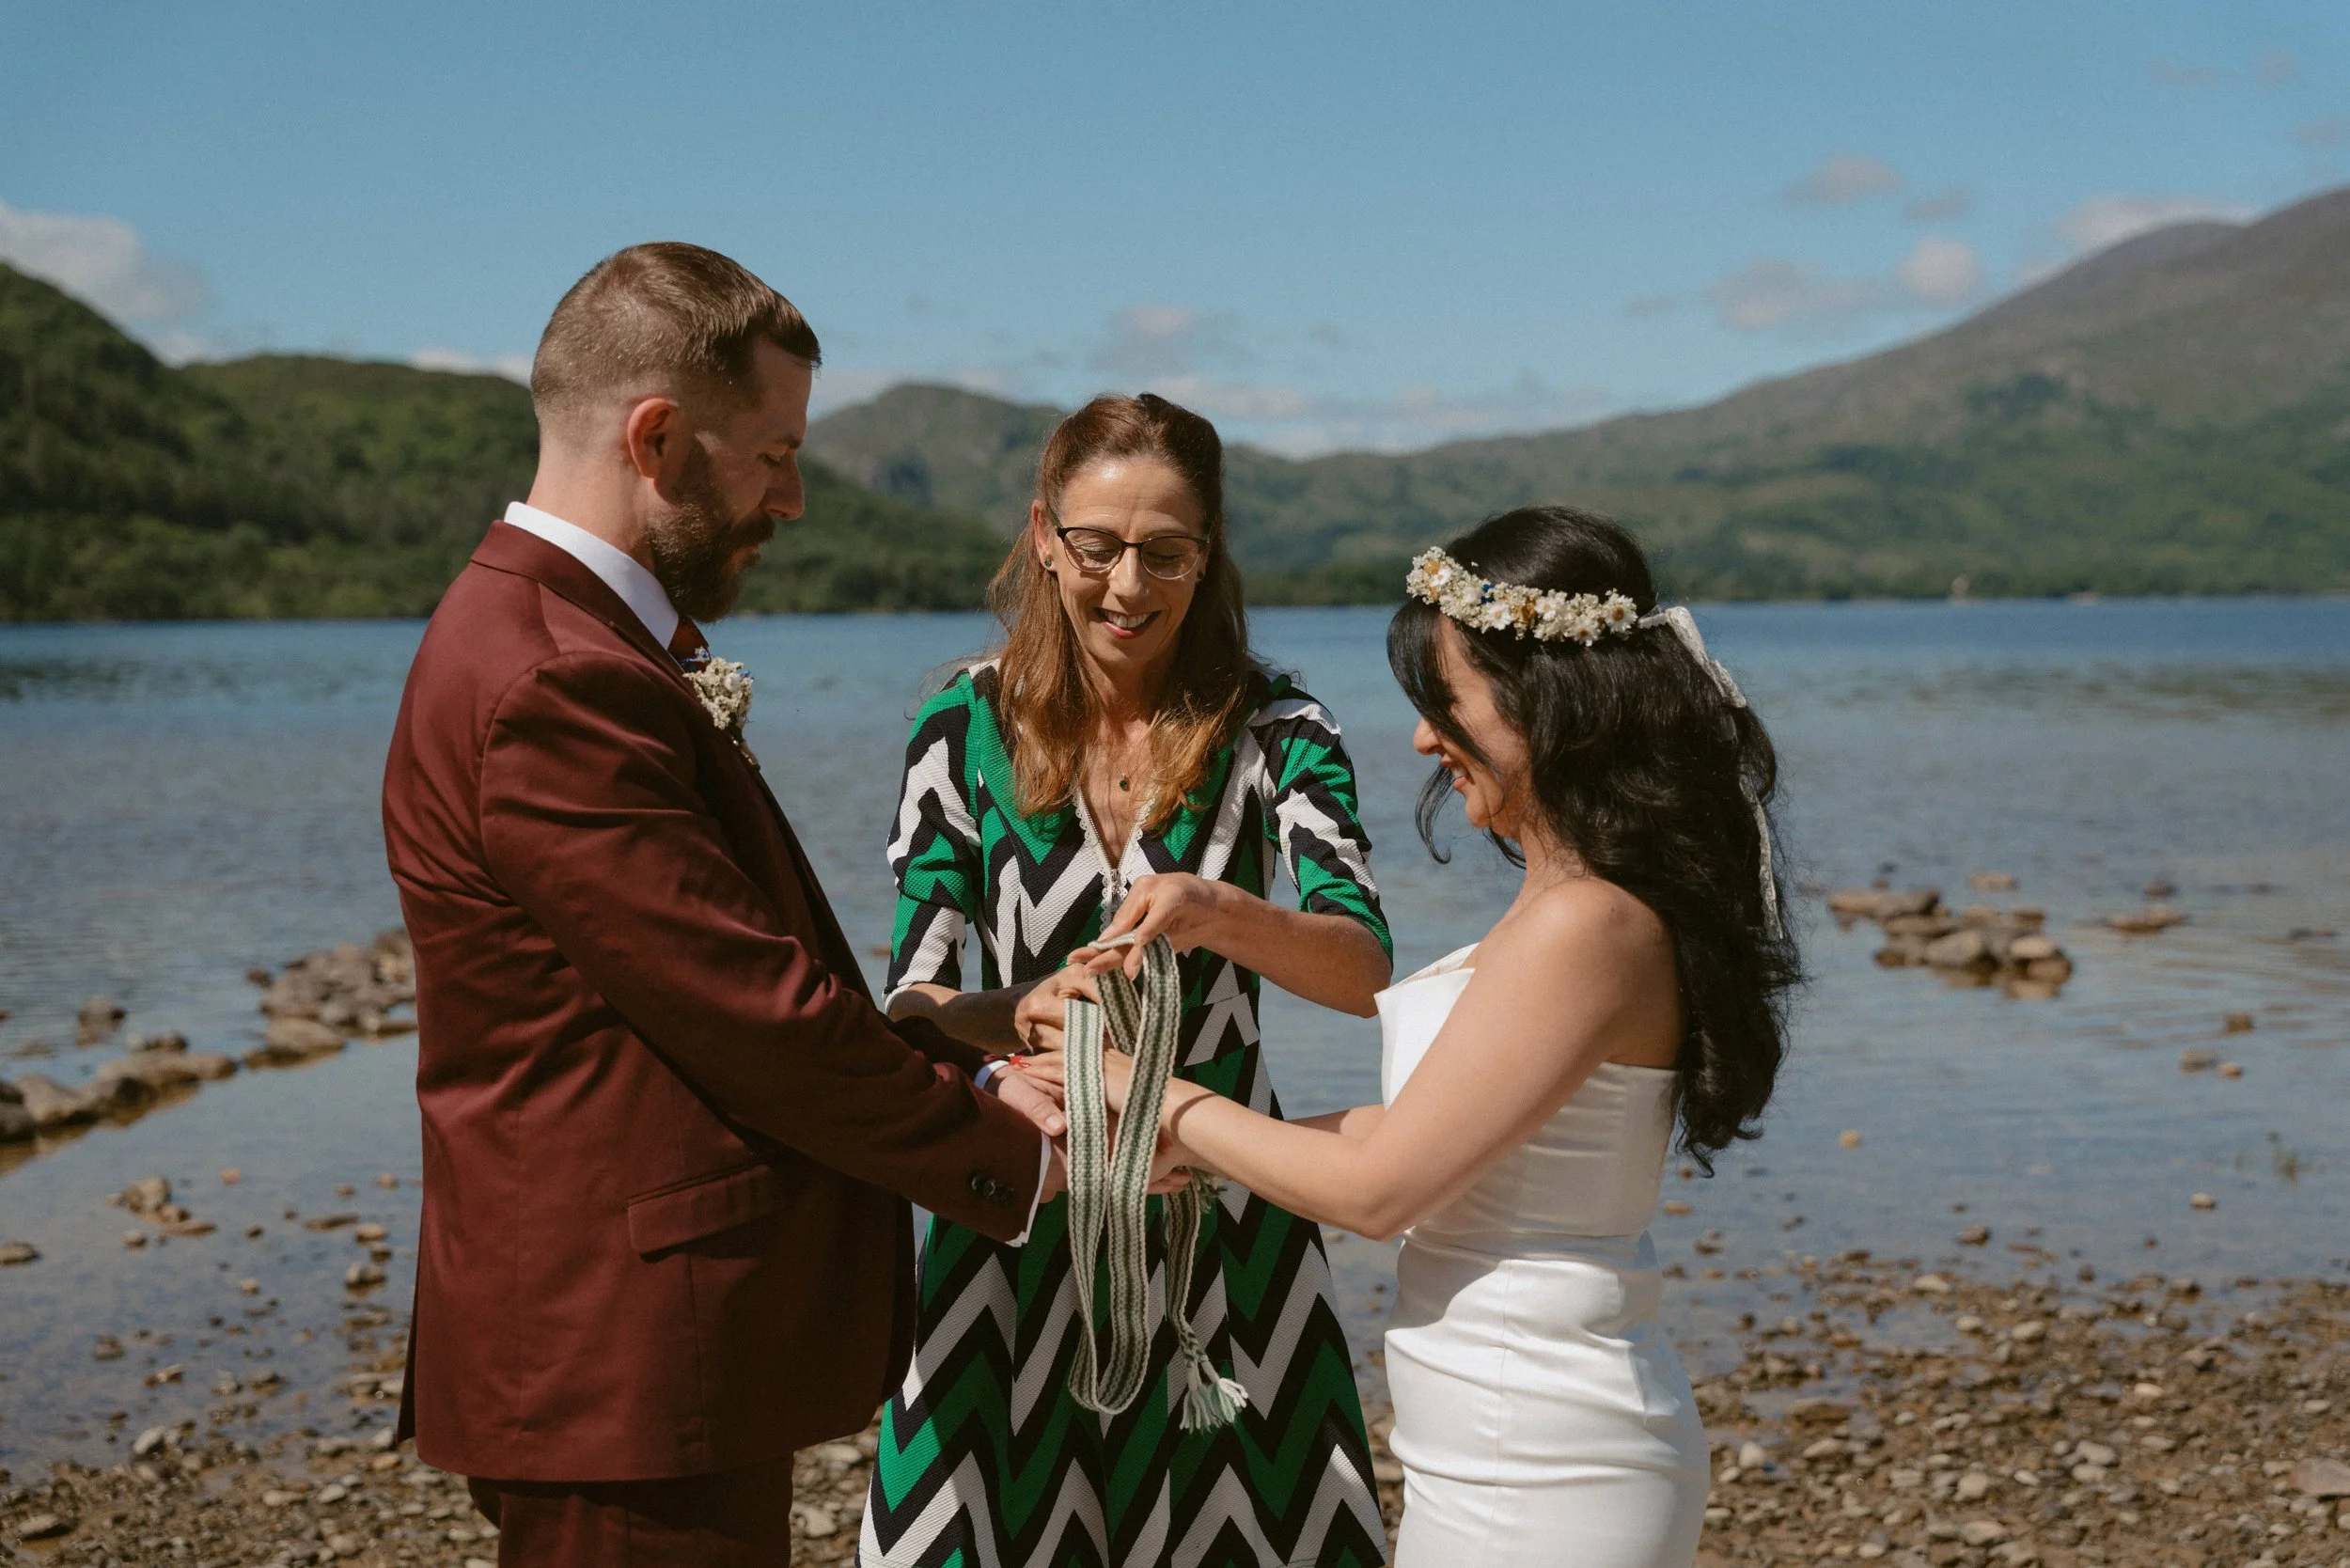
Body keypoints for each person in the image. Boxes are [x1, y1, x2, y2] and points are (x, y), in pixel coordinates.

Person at [381, 242, 1071, 1567]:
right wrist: (1018, 1150)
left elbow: (674, 992)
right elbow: (748, 1011)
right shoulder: (551, 679)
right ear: (654, 438)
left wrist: (951, 1031)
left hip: (626, 1356)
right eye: (771, 455)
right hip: (621, 1369)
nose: (794, 497)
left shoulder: (567, 640)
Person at [1050, 508, 1799, 1568]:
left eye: (1444, 701)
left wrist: (1158, 1096)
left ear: (1547, 702)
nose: (1418, 738)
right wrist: (1179, 1153)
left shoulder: (1587, 924)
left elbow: (1380, 1192)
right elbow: (1413, 1138)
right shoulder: (1570, 906)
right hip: (1498, 1444)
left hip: (1547, 1458)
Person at [858, 394, 1395, 1568]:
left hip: (1224, 1221)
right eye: (1097, 549)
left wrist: (1222, 912)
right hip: (1014, 1202)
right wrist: (1010, 1015)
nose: (1126, 587)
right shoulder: (960, 724)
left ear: (1209, 555)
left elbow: (1362, 970)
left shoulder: (1280, 730)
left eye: (1166, 553)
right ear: (1044, 534)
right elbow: (912, 1003)